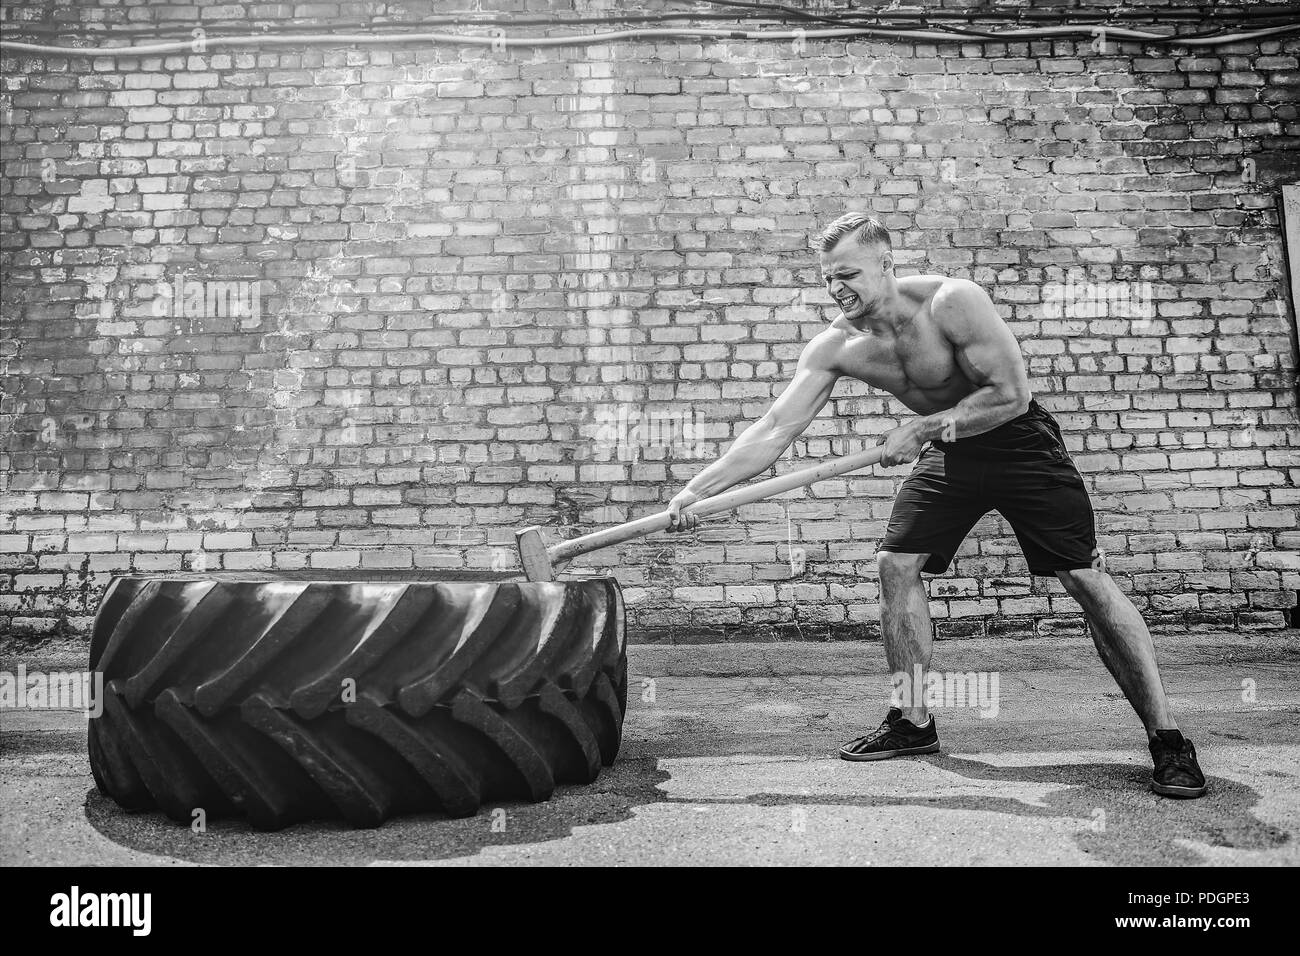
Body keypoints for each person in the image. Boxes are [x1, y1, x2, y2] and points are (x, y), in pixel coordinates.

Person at [665, 212, 1207, 798]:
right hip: (950, 454)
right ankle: (913, 720)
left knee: (1082, 576)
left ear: (886, 264)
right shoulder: (838, 345)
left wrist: (924, 427)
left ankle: (1167, 738)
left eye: (847, 273)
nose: (836, 288)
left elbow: (1010, 394)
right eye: (827, 278)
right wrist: (701, 489)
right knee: (896, 564)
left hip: (1017, 440)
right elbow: (774, 428)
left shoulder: (953, 301)